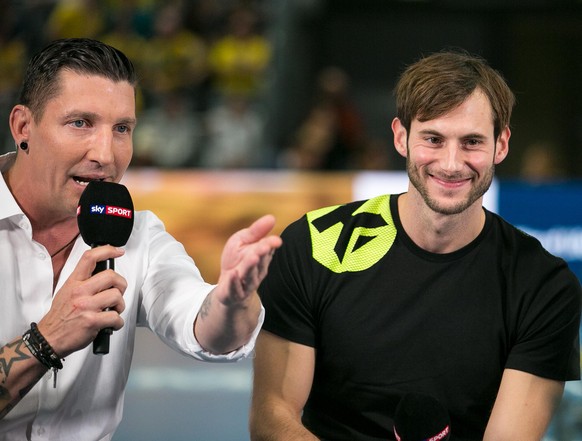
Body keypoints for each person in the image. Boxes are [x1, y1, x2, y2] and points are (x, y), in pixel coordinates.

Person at [250, 50, 581, 441]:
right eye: (434, 139)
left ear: (502, 144)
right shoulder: (315, 244)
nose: (452, 163)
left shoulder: (542, 284)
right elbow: (272, 418)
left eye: (472, 141)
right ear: (401, 137)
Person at [0, 38, 282, 439]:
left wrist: (231, 301)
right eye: (80, 123)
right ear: (23, 127)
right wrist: (45, 341)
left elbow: (200, 323)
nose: (106, 154)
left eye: (122, 129)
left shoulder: (139, 233)